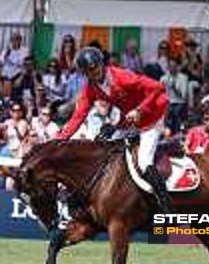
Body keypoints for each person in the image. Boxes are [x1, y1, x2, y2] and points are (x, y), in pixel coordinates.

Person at [55, 47, 171, 212]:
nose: (93, 74)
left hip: (153, 114)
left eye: (94, 68)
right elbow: (78, 116)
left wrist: (140, 110)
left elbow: (158, 87)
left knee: (144, 161)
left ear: (101, 64)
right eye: (88, 72)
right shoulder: (91, 88)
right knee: (106, 145)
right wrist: (59, 139)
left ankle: (165, 205)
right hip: (130, 121)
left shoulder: (122, 77)